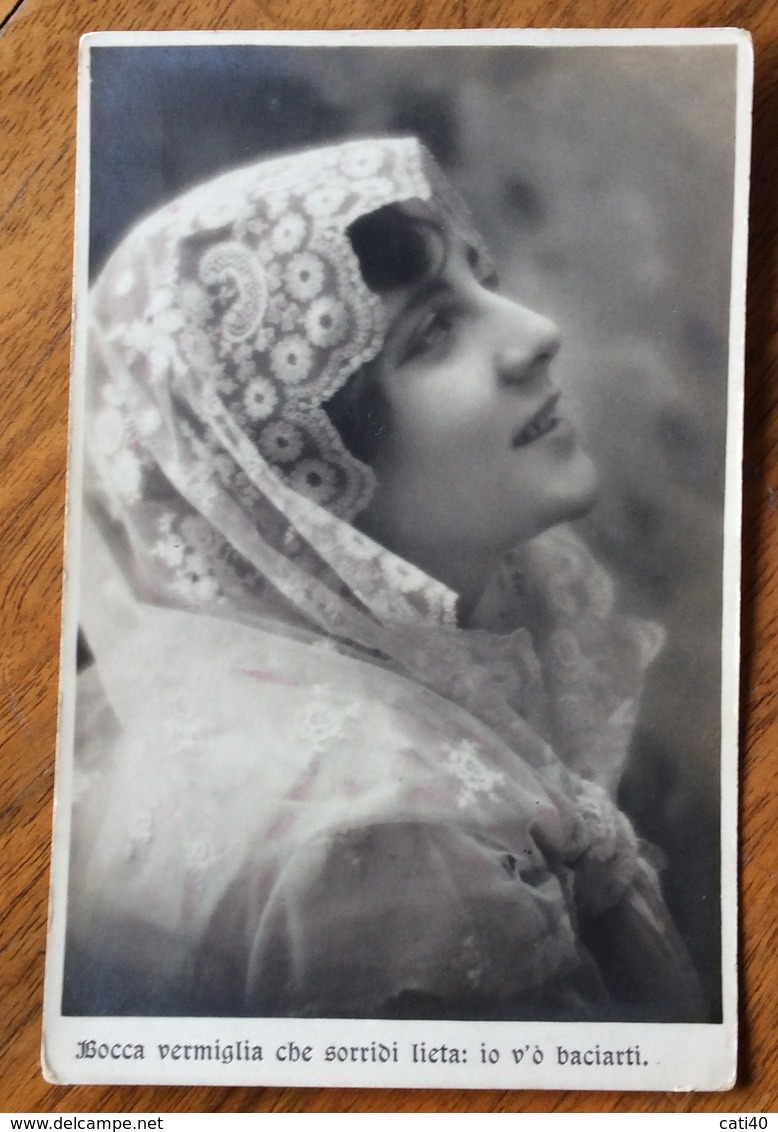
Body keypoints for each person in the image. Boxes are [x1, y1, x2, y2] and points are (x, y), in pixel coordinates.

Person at [64, 136, 701, 1021]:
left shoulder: (238, 712)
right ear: (294, 481)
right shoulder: (396, 841)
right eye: (432, 331)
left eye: (485, 282)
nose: (535, 336)